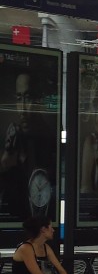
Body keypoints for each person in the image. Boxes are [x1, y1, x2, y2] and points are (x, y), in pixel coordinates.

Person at [0, 68, 56, 222]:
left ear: (39, 100)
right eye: (19, 98)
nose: (23, 108)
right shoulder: (12, 139)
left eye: (28, 98)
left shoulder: (49, 139)